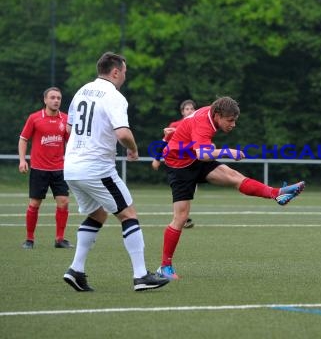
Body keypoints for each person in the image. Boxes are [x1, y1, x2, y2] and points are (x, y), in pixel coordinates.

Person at [157, 96, 305, 280]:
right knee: (181, 217)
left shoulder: (213, 111)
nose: (233, 124)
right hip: (179, 166)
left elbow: (196, 139)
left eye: (235, 120)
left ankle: (278, 194)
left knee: (235, 177)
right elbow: (203, 154)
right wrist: (228, 151)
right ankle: (164, 267)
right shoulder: (204, 122)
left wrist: (179, 134)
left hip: (192, 157)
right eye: (230, 120)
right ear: (218, 115)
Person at [62, 52, 169, 292]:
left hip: (71, 167)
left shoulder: (81, 91)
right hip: (96, 167)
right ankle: (141, 276)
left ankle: (76, 270)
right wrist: (133, 149)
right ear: (116, 72)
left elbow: (68, 128)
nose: (125, 77)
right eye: (125, 72)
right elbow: (122, 133)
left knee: (98, 215)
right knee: (128, 214)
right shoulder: (114, 96)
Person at [18, 87, 73, 249]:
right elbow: (23, 139)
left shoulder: (66, 119)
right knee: (34, 204)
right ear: (45, 100)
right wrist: (22, 160)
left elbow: (71, 144)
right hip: (39, 169)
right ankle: (29, 239)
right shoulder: (34, 118)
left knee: (63, 202)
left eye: (59, 98)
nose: (56, 100)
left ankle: (59, 239)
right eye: (53, 97)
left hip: (59, 169)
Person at [152, 99, 197, 229]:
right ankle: (183, 218)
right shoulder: (175, 125)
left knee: (189, 191)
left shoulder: (198, 124)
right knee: (181, 190)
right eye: (187, 109)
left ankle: (184, 217)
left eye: (192, 108)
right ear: (182, 112)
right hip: (176, 163)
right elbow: (165, 141)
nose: (190, 111)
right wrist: (157, 158)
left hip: (192, 163)